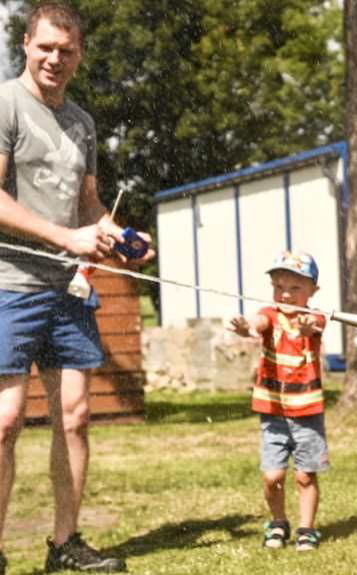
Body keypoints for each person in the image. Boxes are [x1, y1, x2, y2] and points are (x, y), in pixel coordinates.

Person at [0, 3, 153, 573]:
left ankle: (64, 545)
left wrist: (121, 236)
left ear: (79, 55)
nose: (55, 59)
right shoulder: (5, 105)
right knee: (6, 421)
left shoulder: (81, 123)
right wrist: (67, 236)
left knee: (75, 416)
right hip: (10, 284)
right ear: (25, 44)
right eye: (46, 47)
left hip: (68, 289)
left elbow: (89, 206)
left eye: (66, 51)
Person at [229, 251, 329, 552]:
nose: (285, 293)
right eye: (278, 286)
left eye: (295, 288)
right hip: (272, 411)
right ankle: (278, 522)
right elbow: (257, 324)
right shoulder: (269, 315)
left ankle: (307, 529)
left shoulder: (316, 316)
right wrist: (245, 327)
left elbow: (313, 326)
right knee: (272, 476)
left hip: (307, 410)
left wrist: (306, 326)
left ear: (313, 290)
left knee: (304, 475)